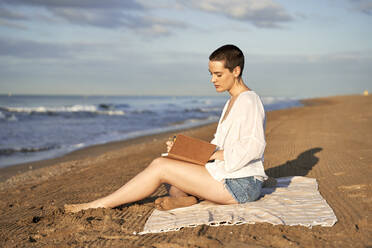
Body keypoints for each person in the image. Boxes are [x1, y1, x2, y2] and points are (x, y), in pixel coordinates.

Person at [64, 44, 268, 213]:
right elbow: (220, 144)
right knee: (171, 158)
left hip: (241, 186)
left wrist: (208, 156)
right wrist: (187, 151)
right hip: (227, 175)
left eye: (218, 74)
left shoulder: (249, 101)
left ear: (236, 71)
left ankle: (97, 205)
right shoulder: (233, 101)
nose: (212, 80)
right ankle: (186, 199)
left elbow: (253, 149)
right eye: (211, 74)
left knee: (160, 166)